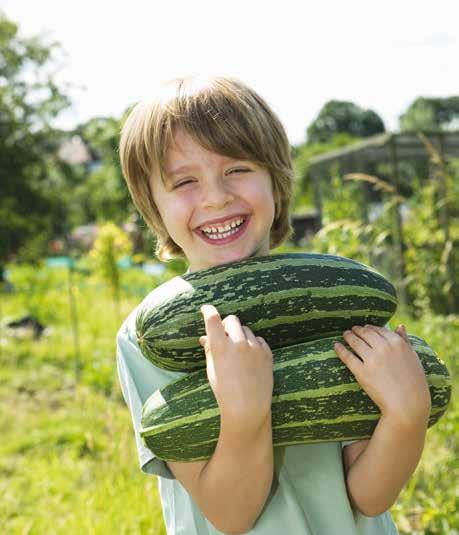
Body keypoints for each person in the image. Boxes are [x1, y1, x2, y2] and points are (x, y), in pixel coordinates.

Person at [116, 75, 431, 534]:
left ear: (276, 182)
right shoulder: (153, 336)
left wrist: (407, 417)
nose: (216, 197)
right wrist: (245, 414)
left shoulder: (332, 299)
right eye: (184, 181)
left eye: (237, 169)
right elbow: (230, 515)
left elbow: (369, 495)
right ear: (153, 207)